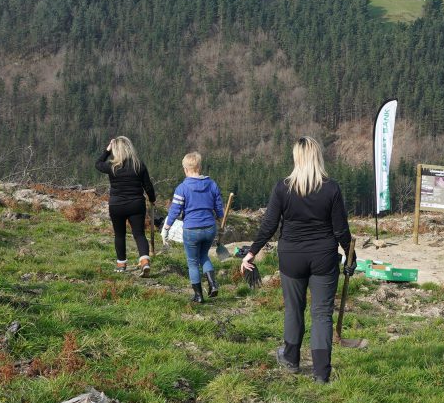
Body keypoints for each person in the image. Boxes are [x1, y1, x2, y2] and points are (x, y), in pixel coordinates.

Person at [241, 137, 352, 383]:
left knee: (294, 309)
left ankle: (291, 359)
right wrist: (350, 256)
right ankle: (321, 373)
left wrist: (252, 251)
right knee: (322, 314)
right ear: (317, 156)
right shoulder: (331, 188)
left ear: (297, 158)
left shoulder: (283, 188)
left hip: (291, 256)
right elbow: (341, 229)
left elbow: (269, 224)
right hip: (324, 256)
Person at [164, 152, 226, 304]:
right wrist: (220, 220)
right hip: (209, 228)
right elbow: (218, 207)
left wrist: (167, 227)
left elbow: (175, 211)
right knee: (204, 256)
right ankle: (213, 284)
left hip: (191, 230)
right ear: (200, 166)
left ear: (185, 169)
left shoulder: (182, 188)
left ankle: (198, 296)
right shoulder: (212, 184)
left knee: (192, 262)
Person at [96, 136, 156, 275]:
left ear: (115, 150)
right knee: (139, 234)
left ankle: (121, 264)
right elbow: (148, 185)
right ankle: (144, 261)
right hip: (136, 204)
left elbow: (98, 164)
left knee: (119, 235)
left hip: (117, 205)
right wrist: (152, 199)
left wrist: (107, 150)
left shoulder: (112, 166)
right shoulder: (138, 164)